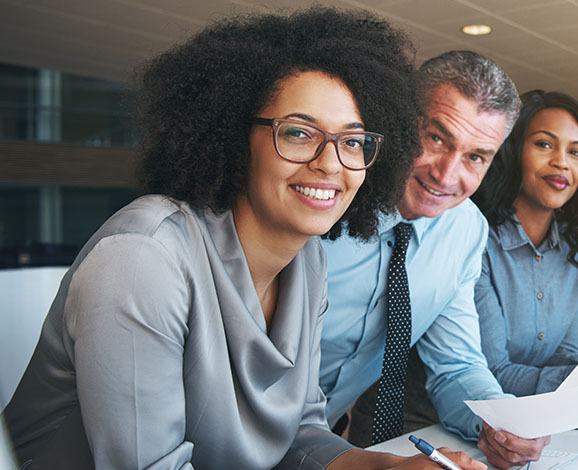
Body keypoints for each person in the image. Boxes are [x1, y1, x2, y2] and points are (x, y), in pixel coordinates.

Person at [1, 8, 467, 470]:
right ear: (232, 136)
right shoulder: (143, 257)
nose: (330, 164)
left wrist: (387, 468)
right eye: (300, 133)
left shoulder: (308, 262)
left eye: (352, 142)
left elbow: (298, 434)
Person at [318, 51, 549, 469]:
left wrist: (499, 421)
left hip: (323, 442)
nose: (446, 175)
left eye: (476, 157)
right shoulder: (323, 199)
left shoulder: (465, 231)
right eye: (437, 139)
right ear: (401, 119)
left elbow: (457, 364)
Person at [470, 89, 578, 396]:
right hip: (448, 425)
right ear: (513, 151)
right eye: (544, 144)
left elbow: (563, 357)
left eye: (575, 152)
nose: (561, 162)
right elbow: (493, 372)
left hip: (533, 419)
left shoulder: (575, 247)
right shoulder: (478, 241)